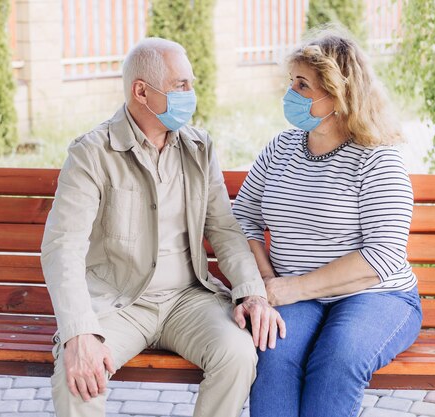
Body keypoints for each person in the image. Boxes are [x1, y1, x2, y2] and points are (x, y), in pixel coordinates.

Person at [41, 37, 285, 417]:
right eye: (181, 85)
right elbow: (63, 248)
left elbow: (224, 229)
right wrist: (78, 332)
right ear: (142, 91)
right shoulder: (91, 153)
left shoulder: (199, 148)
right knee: (78, 376)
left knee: (237, 354)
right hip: (118, 303)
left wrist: (251, 293)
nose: (192, 94)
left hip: (188, 300)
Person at [232, 30, 423, 417]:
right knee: (271, 354)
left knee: (336, 359)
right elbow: (244, 217)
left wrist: (290, 289)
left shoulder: (377, 159)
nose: (291, 94)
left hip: (376, 297)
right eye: (291, 83)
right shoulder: (280, 148)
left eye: (302, 85)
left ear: (337, 95)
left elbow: (382, 256)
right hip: (291, 290)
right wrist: (268, 282)